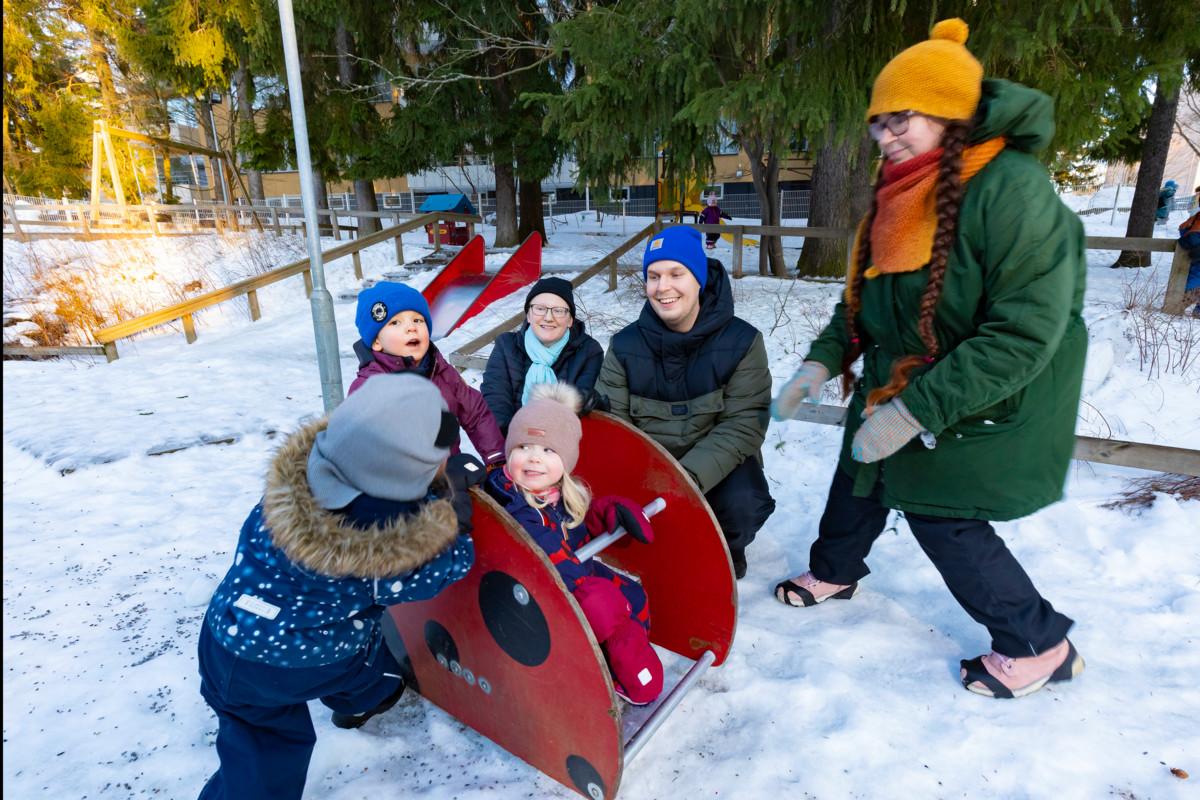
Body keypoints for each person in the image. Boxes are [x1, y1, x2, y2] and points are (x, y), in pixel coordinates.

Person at [770, 19, 1087, 700]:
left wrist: (916, 410)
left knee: (942, 512)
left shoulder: (1011, 191)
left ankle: (1039, 644)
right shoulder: (899, 194)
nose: (884, 137)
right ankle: (836, 569)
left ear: (949, 112)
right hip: (900, 380)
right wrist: (820, 364)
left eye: (900, 119)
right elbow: (863, 307)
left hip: (984, 390)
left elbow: (1025, 333)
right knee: (858, 470)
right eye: (877, 123)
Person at [197, 374, 483, 799]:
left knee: (255, 749)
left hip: (224, 636)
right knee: (374, 665)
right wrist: (453, 521)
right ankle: (363, 702)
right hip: (296, 663)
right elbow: (444, 569)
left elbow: (372, 494)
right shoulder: (380, 554)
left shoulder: (290, 490)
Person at [597, 225, 775, 579]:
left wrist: (682, 480)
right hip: (647, 467)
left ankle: (727, 547)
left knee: (744, 504)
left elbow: (743, 426)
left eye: (676, 273)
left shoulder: (742, 343)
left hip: (713, 470)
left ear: (699, 278)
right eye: (653, 276)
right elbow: (614, 424)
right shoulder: (624, 347)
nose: (663, 287)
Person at [483, 383, 664, 705]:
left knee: (631, 596)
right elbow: (543, 553)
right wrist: (587, 588)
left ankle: (616, 658)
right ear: (508, 452)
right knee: (604, 606)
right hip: (534, 599)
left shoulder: (558, 495)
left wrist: (607, 512)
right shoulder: (510, 503)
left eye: (548, 450)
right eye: (523, 447)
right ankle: (605, 665)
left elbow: (574, 530)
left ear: (565, 462)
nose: (534, 458)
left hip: (576, 579)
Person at [351, 281, 505, 467]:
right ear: (377, 342)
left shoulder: (441, 370)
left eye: (418, 320)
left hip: (452, 473)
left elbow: (475, 412)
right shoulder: (369, 388)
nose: (411, 328)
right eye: (395, 322)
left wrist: (495, 459)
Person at [481, 277, 605, 434]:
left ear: (570, 320)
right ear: (528, 314)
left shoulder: (589, 351)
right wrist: (518, 445)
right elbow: (495, 402)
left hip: (567, 445)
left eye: (559, 311)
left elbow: (585, 407)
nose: (548, 317)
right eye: (540, 308)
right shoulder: (507, 345)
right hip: (511, 443)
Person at [1179, 209, 1200, 318]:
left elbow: (1182, 228)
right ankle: (1176, 304)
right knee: (1194, 279)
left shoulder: (1196, 217)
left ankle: (1177, 303)